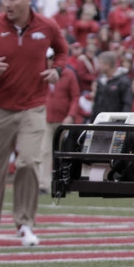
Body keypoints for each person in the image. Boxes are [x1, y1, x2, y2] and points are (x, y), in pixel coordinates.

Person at [0, 0, 68, 247]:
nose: (7, 3)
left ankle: (25, 223)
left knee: (28, 163)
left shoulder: (47, 25)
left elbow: (62, 51)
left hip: (33, 107)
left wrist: (57, 70)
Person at [39, 46, 80, 191]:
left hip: (63, 120)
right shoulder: (41, 75)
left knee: (64, 152)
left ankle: (64, 182)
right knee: (44, 151)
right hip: (46, 119)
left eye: (51, 58)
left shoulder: (68, 75)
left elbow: (75, 97)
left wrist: (70, 115)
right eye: (47, 59)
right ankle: (44, 184)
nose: (49, 61)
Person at [91, 50, 133, 119]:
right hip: (100, 123)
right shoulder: (100, 81)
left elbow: (127, 104)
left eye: (100, 63)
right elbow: (96, 103)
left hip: (116, 123)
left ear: (107, 64)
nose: (99, 66)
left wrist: (123, 124)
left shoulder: (123, 81)